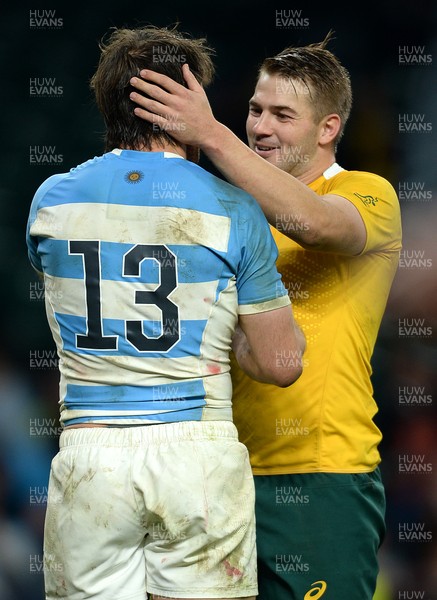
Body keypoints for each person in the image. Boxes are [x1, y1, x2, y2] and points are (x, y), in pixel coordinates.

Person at [26, 26, 306, 600]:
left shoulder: (52, 200)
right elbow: (281, 364)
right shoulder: (235, 208)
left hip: (90, 454)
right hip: (195, 455)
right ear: (190, 100)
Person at [129, 31, 402, 600]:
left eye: (283, 114)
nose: (260, 127)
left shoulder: (367, 193)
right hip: (215, 470)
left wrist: (209, 134)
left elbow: (317, 224)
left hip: (320, 475)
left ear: (328, 129)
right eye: (255, 109)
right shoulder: (226, 209)